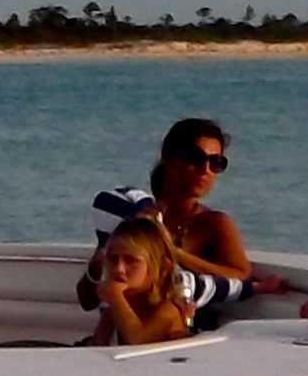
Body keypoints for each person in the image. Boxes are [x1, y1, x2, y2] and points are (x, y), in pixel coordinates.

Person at [78, 118, 287, 329]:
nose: (205, 169)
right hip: (121, 336)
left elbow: (242, 275)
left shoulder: (213, 224)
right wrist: (97, 265)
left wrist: (172, 251)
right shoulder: (134, 220)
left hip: (180, 336)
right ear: (168, 157)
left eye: (216, 162)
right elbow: (87, 300)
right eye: (196, 158)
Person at [88, 216, 200, 346]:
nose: (119, 269)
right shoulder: (116, 309)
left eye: (131, 260)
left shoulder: (168, 311)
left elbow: (138, 340)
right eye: (113, 259)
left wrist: (115, 297)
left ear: (162, 268)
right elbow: (96, 346)